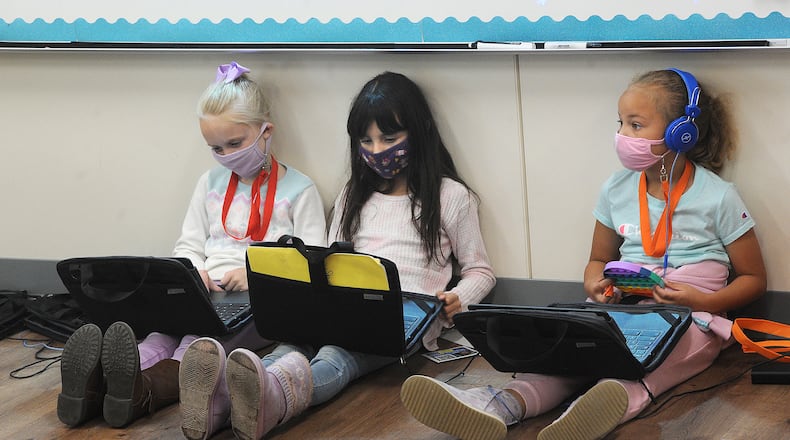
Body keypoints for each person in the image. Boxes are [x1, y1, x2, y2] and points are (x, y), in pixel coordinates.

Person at [400, 68, 767, 440]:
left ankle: (596, 410)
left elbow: (754, 279)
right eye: (621, 123)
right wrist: (595, 283)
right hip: (623, 308)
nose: (623, 135)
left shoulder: (717, 196)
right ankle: (496, 403)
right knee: (567, 354)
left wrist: (705, 299)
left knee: (646, 366)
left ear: (680, 133)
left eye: (636, 125)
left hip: (693, 317)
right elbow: (598, 260)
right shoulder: (616, 189)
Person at [178, 71, 496, 440]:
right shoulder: (352, 195)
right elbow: (328, 261)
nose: (377, 150)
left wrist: (459, 298)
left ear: (419, 131)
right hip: (341, 306)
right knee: (292, 345)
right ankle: (223, 402)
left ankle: (276, 399)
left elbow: (480, 271)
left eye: (389, 138)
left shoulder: (451, 197)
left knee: (335, 356)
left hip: (399, 319)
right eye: (367, 140)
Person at [56, 61, 327, 429]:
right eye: (215, 147)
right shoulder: (209, 183)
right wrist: (193, 271)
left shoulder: (300, 189)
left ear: (266, 132)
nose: (226, 154)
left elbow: (311, 261)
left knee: (197, 344)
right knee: (160, 334)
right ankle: (95, 385)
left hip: (259, 302)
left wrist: (254, 275)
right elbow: (189, 244)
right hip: (203, 290)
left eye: (235, 143)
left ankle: (136, 394)